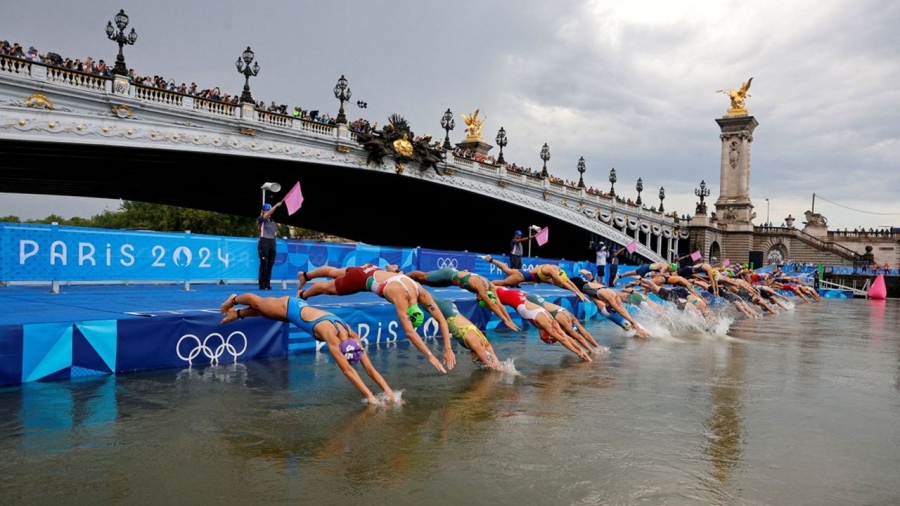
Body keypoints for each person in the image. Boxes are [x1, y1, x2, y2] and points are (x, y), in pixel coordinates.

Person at [219, 293, 396, 405]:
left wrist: (389, 393)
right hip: (289, 306)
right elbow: (347, 371)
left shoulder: (353, 336)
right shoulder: (330, 335)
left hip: (296, 313)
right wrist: (371, 397)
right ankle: (234, 299)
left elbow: (370, 369)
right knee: (260, 304)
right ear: (342, 349)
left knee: (267, 313)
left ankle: (238, 314)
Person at [298, 266, 457, 374]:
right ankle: (302, 295)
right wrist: (430, 355)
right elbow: (409, 332)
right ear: (409, 311)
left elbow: (441, 320)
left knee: (335, 271)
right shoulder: (400, 297)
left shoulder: (420, 291)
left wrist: (448, 348)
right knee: (327, 288)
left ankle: (305, 275)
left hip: (371, 269)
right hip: (360, 279)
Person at [493, 286, 592, 362]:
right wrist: (578, 352)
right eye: (542, 338)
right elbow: (561, 339)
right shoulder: (545, 324)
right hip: (515, 297)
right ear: (546, 333)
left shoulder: (552, 322)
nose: (539, 337)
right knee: (489, 292)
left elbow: (565, 337)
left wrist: (580, 350)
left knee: (495, 287)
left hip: (520, 296)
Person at [406, 267, 520, 330]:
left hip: (451, 282)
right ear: (484, 295)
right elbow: (491, 305)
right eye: (480, 299)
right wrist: (504, 320)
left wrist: (509, 320)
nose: (477, 298)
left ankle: (405, 281)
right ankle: (403, 276)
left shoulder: (491, 287)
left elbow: (498, 304)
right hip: (447, 274)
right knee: (423, 276)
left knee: (423, 283)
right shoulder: (480, 286)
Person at [433, 296, 505, 370]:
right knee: (423, 295)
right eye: (476, 360)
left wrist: (501, 367)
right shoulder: (477, 344)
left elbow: (495, 360)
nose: (472, 359)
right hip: (447, 310)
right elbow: (489, 364)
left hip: (450, 310)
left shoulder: (486, 345)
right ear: (478, 355)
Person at [483, 255, 588, 302]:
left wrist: (578, 292)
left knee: (507, 270)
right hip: (522, 276)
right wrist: (576, 292)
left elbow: (568, 282)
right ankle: (484, 285)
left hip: (524, 273)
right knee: (503, 283)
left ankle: (490, 259)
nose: (557, 282)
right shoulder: (551, 271)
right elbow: (564, 283)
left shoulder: (559, 272)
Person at [525, 292, 604, 353]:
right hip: (532, 300)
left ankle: (597, 346)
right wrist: (591, 351)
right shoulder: (563, 320)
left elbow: (585, 334)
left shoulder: (572, 318)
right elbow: (578, 337)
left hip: (538, 300)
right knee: (543, 335)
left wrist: (598, 347)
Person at [257, 201, 282, 290]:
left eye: (269, 209)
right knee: (264, 262)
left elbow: (275, 231)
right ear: (263, 211)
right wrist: (275, 206)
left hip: (272, 242)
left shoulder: (272, 222)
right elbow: (267, 215)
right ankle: (262, 283)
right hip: (264, 241)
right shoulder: (261, 219)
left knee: (270, 263)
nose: (268, 211)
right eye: (266, 210)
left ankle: (267, 283)